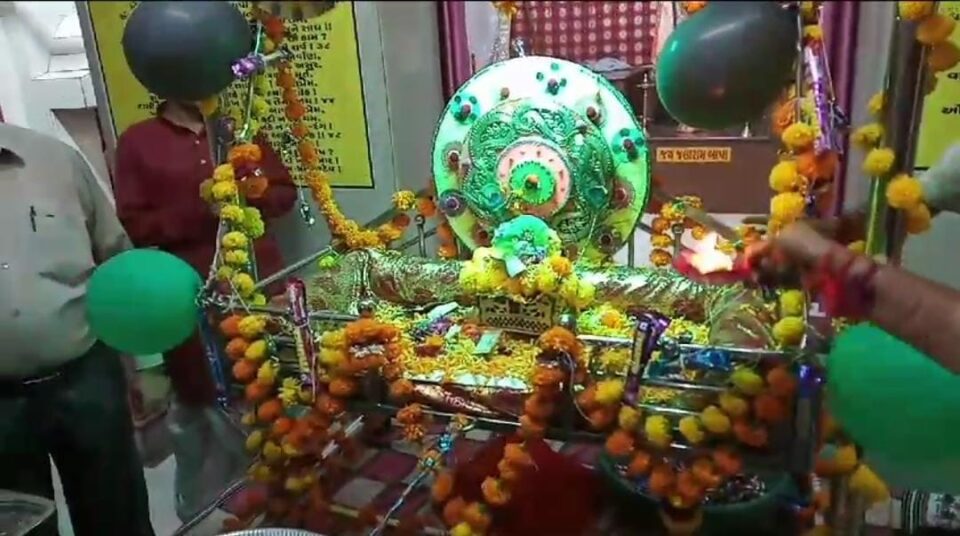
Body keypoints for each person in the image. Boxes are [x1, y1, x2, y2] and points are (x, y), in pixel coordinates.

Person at [113, 100, 297, 520]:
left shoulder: (239, 127)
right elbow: (134, 225)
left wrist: (259, 192)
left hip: (263, 288)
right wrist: (200, 210)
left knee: (277, 394)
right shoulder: (139, 141)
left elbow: (286, 194)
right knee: (204, 403)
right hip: (191, 295)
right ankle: (208, 515)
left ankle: (282, 508)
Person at [0, 123, 154, 535]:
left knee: (118, 518)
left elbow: (118, 263)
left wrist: (147, 363)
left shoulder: (57, 161)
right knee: (20, 528)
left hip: (85, 377)